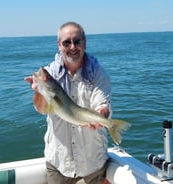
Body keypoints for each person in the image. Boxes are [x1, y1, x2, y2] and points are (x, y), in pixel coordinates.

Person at [25, 21, 111, 184]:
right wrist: (39, 91)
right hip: (59, 163)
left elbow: (102, 104)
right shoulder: (50, 72)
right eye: (67, 42)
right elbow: (42, 109)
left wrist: (102, 116)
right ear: (59, 45)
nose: (73, 47)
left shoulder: (99, 73)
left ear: (85, 42)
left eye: (77, 41)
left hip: (93, 163)